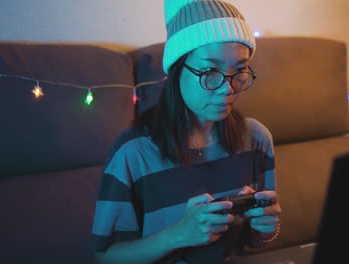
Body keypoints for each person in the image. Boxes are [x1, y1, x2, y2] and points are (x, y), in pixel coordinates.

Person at [91, 0, 281, 263]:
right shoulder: (133, 153)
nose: (228, 88)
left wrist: (265, 230)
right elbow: (105, 258)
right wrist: (179, 234)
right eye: (210, 71)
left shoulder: (256, 138)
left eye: (239, 71)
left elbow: (254, 241)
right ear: (177, 70)